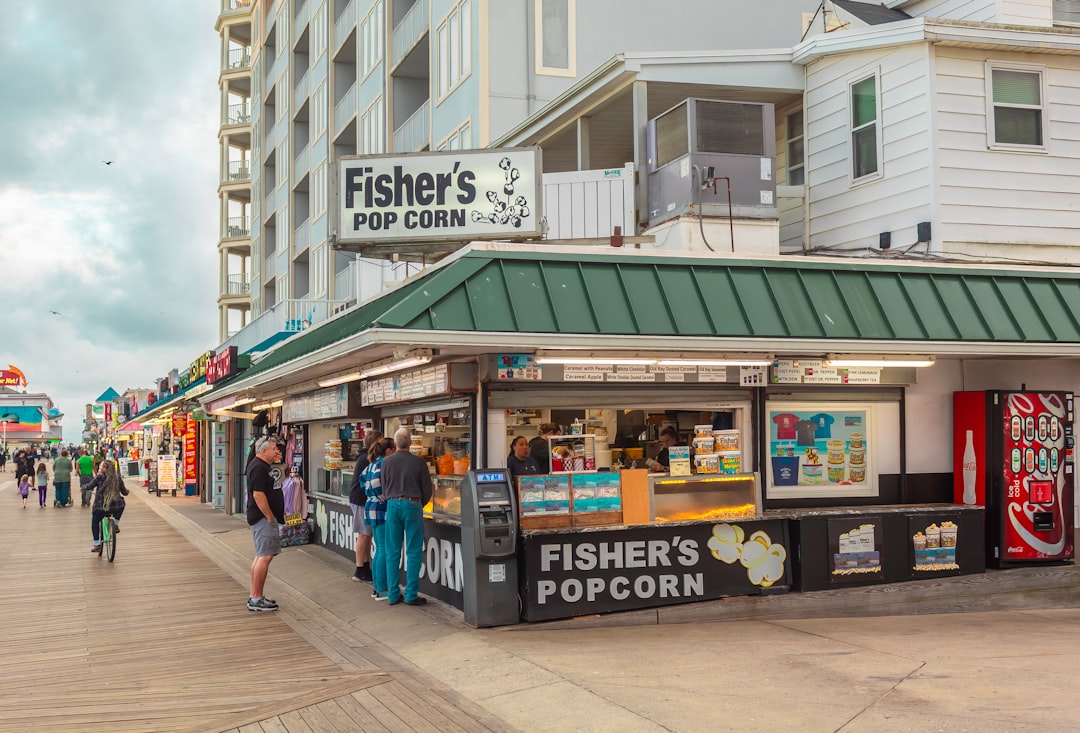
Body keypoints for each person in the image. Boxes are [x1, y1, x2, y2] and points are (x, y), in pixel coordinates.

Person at [379, 428, 434, 607]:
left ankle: (393, 594)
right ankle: (411, 594)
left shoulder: (386, 462)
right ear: (410, 443)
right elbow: (427, 488)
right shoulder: (419, 462)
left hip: (393, 505)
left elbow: (384, 486)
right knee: (413, 550)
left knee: (392, 550)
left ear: (395, 444)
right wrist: (419, 503)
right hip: (413, 504)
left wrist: (392, 499)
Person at [245, 436, 284, 612]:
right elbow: (258, 495)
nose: (276, 451)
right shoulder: (258, 468)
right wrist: (269, 516)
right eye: (274, 448)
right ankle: (256, 598)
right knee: (265, 556)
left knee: (262, 555)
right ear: (264, 450)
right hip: (262, 518)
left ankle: (256, 595)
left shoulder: (262, 466)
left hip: (262, 518)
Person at [361, 437, 395, 601]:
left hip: (371, 508)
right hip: (381, 509)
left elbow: (363, 482)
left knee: (379, 548)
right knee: (383, 548)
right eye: (394, 449)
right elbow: (376, 484)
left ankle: (377, 587)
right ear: (388, 451)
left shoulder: (372, 464)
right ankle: (382, 589)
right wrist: (385, 498)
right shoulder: (383, 464)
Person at [347, 431, 382, 582]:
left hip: (362, 500)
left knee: (367, 535)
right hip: (361, 500)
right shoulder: (365, 459)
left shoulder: (365, 458)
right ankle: (359, 569)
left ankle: (366, 566)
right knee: (364, 534)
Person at [86, 460, 129, 553]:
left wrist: (83, 487)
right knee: (122, 503)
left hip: (101, 507)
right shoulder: (117, 478)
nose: (99, 468)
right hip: (116, 507)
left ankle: (97, 544)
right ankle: (116, 523)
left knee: (95, 522)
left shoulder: (99, 478)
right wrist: (127, 491)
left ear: (105, 469)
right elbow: (124, 492)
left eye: (101, 466)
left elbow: (90, 486)